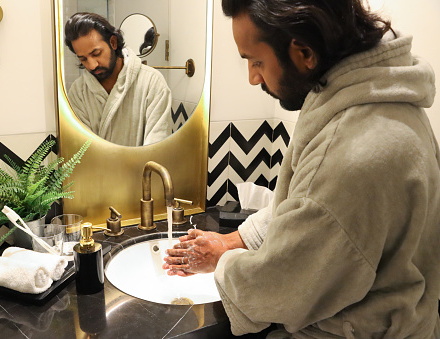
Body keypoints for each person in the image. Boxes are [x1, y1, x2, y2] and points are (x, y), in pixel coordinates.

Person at [163, 0, 440, 338]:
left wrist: (222, 264)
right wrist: (231, 241)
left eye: (256, 61)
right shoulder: (383, 103)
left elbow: (277, 287)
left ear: (304, 52)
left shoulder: (349, 152)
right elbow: (308, 208)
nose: (252, 78)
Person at [64, 12, 173, 146]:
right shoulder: (78, 92)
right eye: (83, 59)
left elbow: (157, 144)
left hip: (142, 167)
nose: (92, 65)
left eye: (96, 53)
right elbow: (82, 148)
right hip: (95, 167)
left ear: (113, 43)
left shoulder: (152, 82)